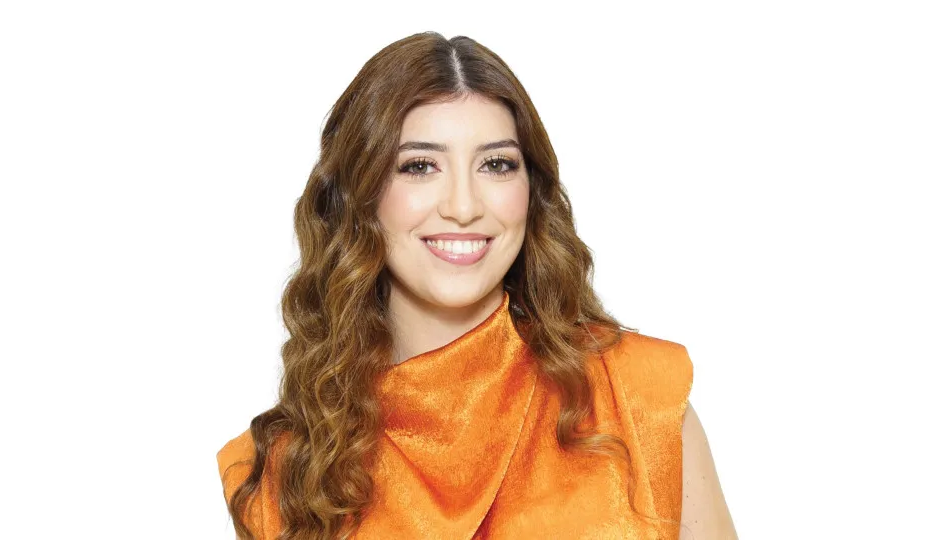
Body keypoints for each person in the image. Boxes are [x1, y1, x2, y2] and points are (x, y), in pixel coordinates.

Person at [216, 31, 736, 540]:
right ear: (358, 196)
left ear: (531, 191)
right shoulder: (283, 473)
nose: (463, 206)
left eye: (496, 164)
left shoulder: (639, 397)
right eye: (420, 166)